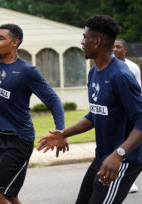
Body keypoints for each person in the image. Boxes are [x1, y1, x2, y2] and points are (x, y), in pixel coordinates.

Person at [0, 0, 66, 203]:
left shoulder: (28, 72)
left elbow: (53, 100)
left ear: (14, 43)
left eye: (1, 38)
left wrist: (60, 130)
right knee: (9, 194)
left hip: (19, 139)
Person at [37, 15, 142, 203]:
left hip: (124, 160)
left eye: (85, 38)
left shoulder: (120, 76)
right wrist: (63, 133)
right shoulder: (94, 71)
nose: (82, 42)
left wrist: (119, 154)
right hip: (102, 156)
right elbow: (95, 114)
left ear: (97, 41)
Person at [114, 38, 141, 193]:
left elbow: (138, 89)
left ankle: (127, 180)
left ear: (125, 49)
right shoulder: (107, 66)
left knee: (128, 146)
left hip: (130, 112)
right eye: (113, 47)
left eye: (118, 47)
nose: (115, 49)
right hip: (115, 114)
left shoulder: (133, 67)